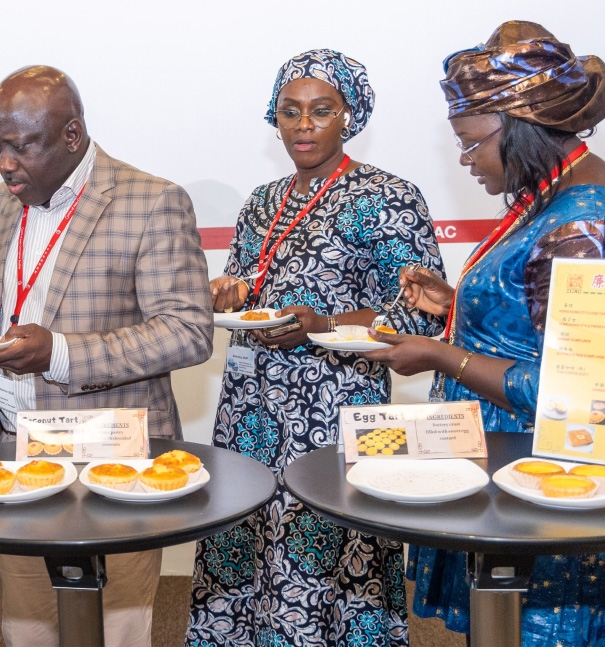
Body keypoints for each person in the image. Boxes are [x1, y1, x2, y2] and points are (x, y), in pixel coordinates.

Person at [365, 21, 605, 646]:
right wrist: (457, 307)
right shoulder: (552, 194)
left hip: (556, 493)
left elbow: (585, 395)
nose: (466, 162)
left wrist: (443, 354)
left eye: (471, 144)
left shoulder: (588, 226)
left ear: (517, 126)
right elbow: (535, 317)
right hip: (518, 478)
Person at [189, 50, 445, 646]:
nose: (303, 125)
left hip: (337, 413)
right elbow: (248, 290)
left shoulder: (387, 196)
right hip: (250, 410)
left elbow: (420, 314)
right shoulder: (261, 199)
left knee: (323, 558)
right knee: (239, 546)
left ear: (348, 117)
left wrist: (322, 323)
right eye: (289, 111)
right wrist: (228, 294)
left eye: (321, 111)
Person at [0, 65, 213, 647]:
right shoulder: (4, 202)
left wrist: (63, 353)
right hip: (14, 447)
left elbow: (188, 330)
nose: (4, 164)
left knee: (115, 629)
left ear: (72, 136)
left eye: (20, 146)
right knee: (26, 625)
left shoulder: (153, 201)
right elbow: (19, 306)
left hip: (111, 460)